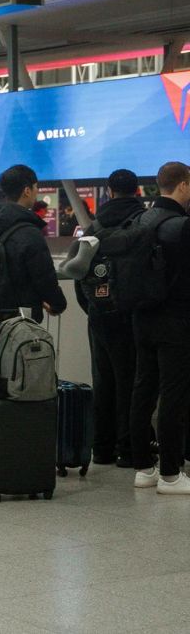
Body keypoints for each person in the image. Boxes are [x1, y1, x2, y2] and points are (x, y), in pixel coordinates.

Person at [72, 169, 145, 467]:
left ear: (110, 191)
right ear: (138, 190)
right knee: (133, 381)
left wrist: (93, 307)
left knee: (102, 380)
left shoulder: (92, 229)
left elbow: (78, 276)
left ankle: (101, 448)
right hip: (134, 314)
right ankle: (129, 448)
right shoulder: (143, 224)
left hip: (99, 316)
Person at [132, 162, 190, 493]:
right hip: (176, 321)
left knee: (143, 389)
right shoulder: (181, 226)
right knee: (173, 394)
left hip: (142, 318)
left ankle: (143, 468)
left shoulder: (140, 219)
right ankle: (171, 473)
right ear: (182, 185)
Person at [0, 164, 67, 328]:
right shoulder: (29, 231)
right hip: (23, 317)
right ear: (27, 190)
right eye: (36, 188)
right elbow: (43, 276)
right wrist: (57, 304)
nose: (36, 192)